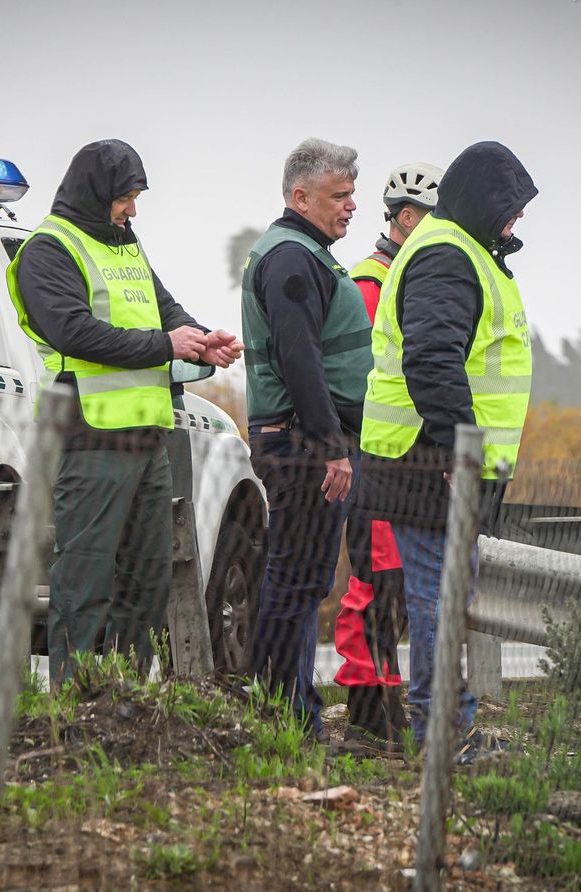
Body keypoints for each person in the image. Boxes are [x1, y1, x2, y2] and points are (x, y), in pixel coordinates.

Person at [8, 139, 242, 686]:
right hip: (90, 436)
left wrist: (201, 341)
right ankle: (74, 698)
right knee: (85, 576)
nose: (132, 210)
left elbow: (165, 309)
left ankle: (125, 694)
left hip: (146, 439)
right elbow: (73, 331)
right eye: (125, 198)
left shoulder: (124, 245)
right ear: (96, 192)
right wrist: (166, 345)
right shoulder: (49, 249)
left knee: (148, 578)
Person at [359, 141, 537, 764]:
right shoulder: (447, 255)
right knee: (439, 599)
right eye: (512, 206)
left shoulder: (463, 250)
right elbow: (432, 361)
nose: (518, 218)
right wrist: (460, 454)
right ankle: (441, 734)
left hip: (440, 460)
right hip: (432, 462)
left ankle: (446, 727)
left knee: (446, 597)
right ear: (485, 201)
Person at [241, 137, 369, 738]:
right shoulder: (292, 259)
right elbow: (299, 359)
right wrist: (332, 447)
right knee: (294, 580)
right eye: (339, 195)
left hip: (307, 442)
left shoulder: (306, 254)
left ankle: (291, 713)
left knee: (303, 579)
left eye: (351, 194)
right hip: (303, 446)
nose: (351, 206)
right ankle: (280, 716)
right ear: (301, 197)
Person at [334, 162, 444, 753]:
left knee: (394, 592)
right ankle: (367, 716)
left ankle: (387, 712)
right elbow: (364, 380)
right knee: (375, 589)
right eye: (432, 219)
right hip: (378, 459)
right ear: (405, 217)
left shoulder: (405, 276)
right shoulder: (371, 284)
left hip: (403, 463)